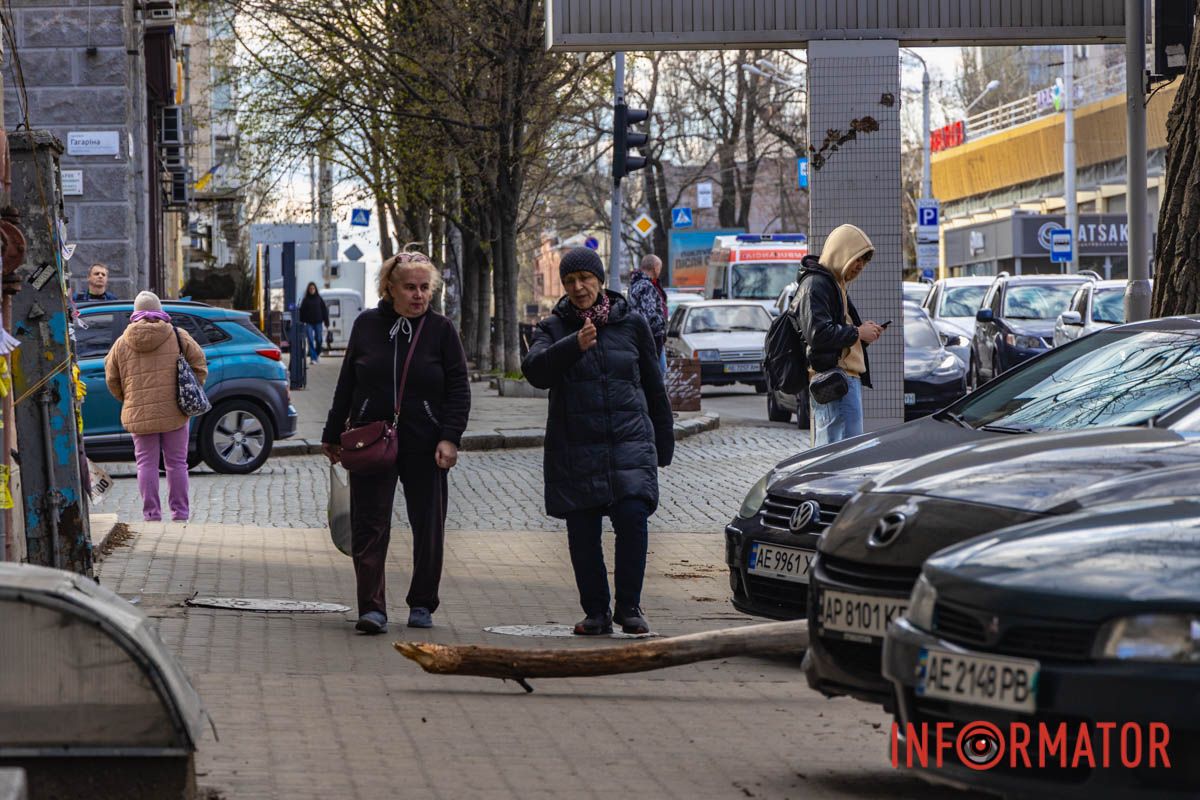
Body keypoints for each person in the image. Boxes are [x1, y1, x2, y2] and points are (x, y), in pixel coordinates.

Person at [522, 247, 674, 636]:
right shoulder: (553, 327)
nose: (578, 287)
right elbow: (535, 372)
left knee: (633, 519)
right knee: (583, 531)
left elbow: (655, 387)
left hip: (629, 440)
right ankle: (596, 612)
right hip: (577, 446)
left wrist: (663, 438)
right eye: (570, 281)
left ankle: (629, 607)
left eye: (585, 279)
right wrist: (574, 344)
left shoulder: (632, 324)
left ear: (600, 280)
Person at [321, 250, 470, 634]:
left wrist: (450, 437)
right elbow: (347, 383)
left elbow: (458, 389)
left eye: (425, 287)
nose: (419, 295)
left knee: (429, 524)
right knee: (369, 524)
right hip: (371, 439)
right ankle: (372, 608)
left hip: (427, 442)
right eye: (410, 287)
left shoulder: (441, 330)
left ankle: (422, 603)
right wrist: (333, 433)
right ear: (389, 287)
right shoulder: (367, 325)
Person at [104, 291, 207, 522]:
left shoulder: (121, 343)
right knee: (177, 463)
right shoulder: (178, 335)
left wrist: (129, 398)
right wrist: (189, 390)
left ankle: (152, 514)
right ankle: (180, 513)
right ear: (159, 310)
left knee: (145, 464)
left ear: (135, 312)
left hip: (138, 414)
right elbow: (199, 364)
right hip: (175, 412)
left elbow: (111, 378)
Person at [791, 224, 884, 447]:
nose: (860, 266)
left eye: (864, 261)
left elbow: (829, 332)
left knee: (839, 454)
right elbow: (819, 334)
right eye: (857, 259)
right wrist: (857, 332)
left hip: (842, 380)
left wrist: (861, 335)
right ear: (842, 253)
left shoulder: (833, 284)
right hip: (836, 381)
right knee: (840, 457)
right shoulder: (818, 284)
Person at [628, 254, 669, 374]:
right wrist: (661, 327)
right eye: (659, 268)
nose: (659, 271)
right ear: (655, 268)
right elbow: (650, 315)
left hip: (639, 336)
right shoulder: (647, 286)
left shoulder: (634, 284)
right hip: (652, 338)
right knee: (660, 371)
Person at [298, 282, 330, 364]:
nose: (312, 290)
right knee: (310, 340)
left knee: (319, 339)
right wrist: (302, 321)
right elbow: (301, 311)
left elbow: (324, 310)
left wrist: (326, 322)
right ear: (308, 290)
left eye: (313, 288)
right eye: (310, 289)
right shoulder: (305, 300)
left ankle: (317, 354)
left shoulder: (319, 299)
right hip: (309, 323)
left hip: (318, 322)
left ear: (315, 289)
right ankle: (313, 358)